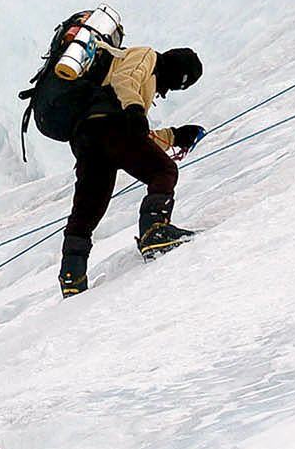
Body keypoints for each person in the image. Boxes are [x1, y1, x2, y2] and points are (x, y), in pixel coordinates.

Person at [58, 46, 205, 297]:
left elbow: (137, 138)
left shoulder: (132, 91)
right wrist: (136, 110)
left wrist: (174, 136)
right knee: (163, 170)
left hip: (87, 136)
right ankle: (154, 230)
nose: (169, 92)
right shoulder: (146, 56)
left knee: (88, 207)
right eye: (179, 85)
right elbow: (123, 80)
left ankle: (72, 275)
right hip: (110, 126)